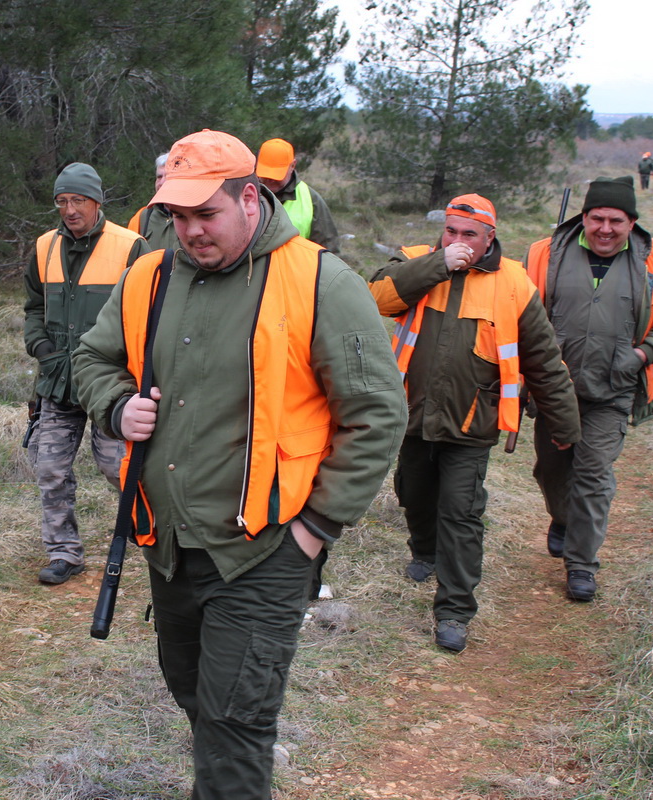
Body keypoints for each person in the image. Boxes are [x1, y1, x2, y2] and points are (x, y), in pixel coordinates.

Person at [74, 129, 405, 799]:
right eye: (178, 216)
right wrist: (116, 406)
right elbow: (92, 357)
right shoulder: (148, 277)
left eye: (206, 214)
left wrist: (314, 530)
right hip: (167, 545)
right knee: (195, 695)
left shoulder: (322, 281)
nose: (191, 231)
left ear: (250, 198)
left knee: (235, 725)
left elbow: (376, 415)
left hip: (265, 551)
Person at [368, 194, 581, 652]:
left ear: (490, 238)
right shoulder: (416, 261)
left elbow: (545, 361)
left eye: (469, 234)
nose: (458, 240)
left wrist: (565, 425)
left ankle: (454, 610)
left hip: (472, 423)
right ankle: (425, 551)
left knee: (461, 513)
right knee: (413, 491)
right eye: (451, 231)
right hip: (412, 412)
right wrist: (438, 265)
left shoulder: (514, 283)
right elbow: (377, 297)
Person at [524, 176, 653, 601]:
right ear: (584, 217)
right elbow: (519, 312)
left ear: (632, 223)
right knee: (551, 470)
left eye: (616, 221)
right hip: (554, 388)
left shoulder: (652, 260)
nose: (605, 229)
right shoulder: (546, 253)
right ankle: (563, 518)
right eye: (597, 218)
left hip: (613, 390)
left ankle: (581, 564)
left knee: (594, 475)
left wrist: (643, 353)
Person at [23, 162, 150, 584]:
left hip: (111, 383)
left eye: (78, 200)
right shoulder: (43, 247)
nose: (70, 210)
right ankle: (64, 553)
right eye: (62, 201)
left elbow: (149, 314)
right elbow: (33, 307)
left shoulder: (132, 247)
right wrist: (42, 349)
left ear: (97, 201)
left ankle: (153, 531)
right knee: (49, 468)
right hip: (57, 381)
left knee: (118, 467)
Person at [255, 137, 344, 254]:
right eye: (266, 173)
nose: (271, 180)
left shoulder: (312, 201)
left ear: (292, 166)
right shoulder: (246, 194)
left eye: (277, 174)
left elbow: (329, 252)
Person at [127, 152, 178, 252]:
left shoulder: (193, 216)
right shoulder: (142, 217)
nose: (162, 182)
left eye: (168, 176)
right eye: (159, 177)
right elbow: (129, 254)